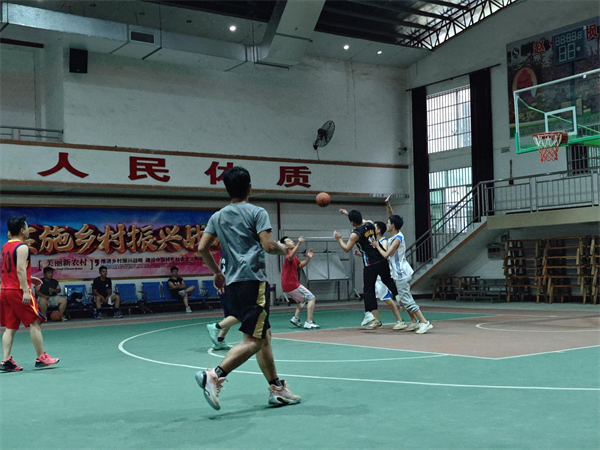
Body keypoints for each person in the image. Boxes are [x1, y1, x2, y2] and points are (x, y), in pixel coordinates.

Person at [196, 166, 300, 410]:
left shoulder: (217, 216)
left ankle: (277, 389)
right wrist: (284, 249)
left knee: (264, 337)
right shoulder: (257, 212)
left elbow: (202, 248)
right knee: (254, 341)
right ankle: (214, 375)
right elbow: (268, 245)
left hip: (232, 284)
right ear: (250, 187)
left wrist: (217, 272)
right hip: (253, 281)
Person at [0, 216, 60, 372]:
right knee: (35, 322)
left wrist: (29, 278)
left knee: (10, 327)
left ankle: (6, 360)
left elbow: (10, 269)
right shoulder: (22, 247)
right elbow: (20, 269)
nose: (28, 230)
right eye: (27, 227)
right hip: (18, 291)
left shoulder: (5, 246)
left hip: (5, 290)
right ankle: (41, 357)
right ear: (22, 230)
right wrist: (26, 291)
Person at [334, 209, 399, 329]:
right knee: (387, 279)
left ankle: (370, 315)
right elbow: (361, 220)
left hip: (370, 264)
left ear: (352, 222)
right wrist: (348, 214)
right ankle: (398, 296)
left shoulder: (355, 234)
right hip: (381, 259)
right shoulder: (370, 224)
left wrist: (339, 239)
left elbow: (346, 248)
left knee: (368, 290)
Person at [373, 213, 433, 334]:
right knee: (403, 299)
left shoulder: (397, 239)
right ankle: (414, 321)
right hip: (398, 272)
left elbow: (386, 255)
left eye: (388, 223)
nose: (387, 225)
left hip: (401, 273)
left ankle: (425, 322)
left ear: (393, 225)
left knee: (406, 299)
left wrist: (377, 245)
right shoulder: (395, 236)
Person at [372, 222, 408, 330]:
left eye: (374, 227)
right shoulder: (375, 241)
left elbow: (383, 255)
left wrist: (376, 247)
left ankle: (400, 320)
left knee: (387, 298)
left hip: (383, 273)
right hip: (375, 272)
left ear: (378, 230)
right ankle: (376, 320)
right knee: (372, 296)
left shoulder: (384, 241)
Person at [280, 236, 319, 329]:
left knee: (302, 300)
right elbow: (290, 256)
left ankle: (295, 318)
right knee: (312, 298)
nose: (292, 241)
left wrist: (308, 258)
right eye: (289, 241)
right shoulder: (288, 257)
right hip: (291, 284)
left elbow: (300, 265)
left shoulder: (294, 257)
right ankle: (309, 322)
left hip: (287, 285)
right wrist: (299, 243)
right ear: (286, 246)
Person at [206, 249, 237, 351]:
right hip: (230, 287)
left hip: (224, 287)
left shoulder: (224, 252)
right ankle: (215, 327)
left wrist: (217, 285)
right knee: (239, 314)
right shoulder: (234, 252)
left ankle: (219, 341)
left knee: (229, 317)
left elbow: (218, 270)